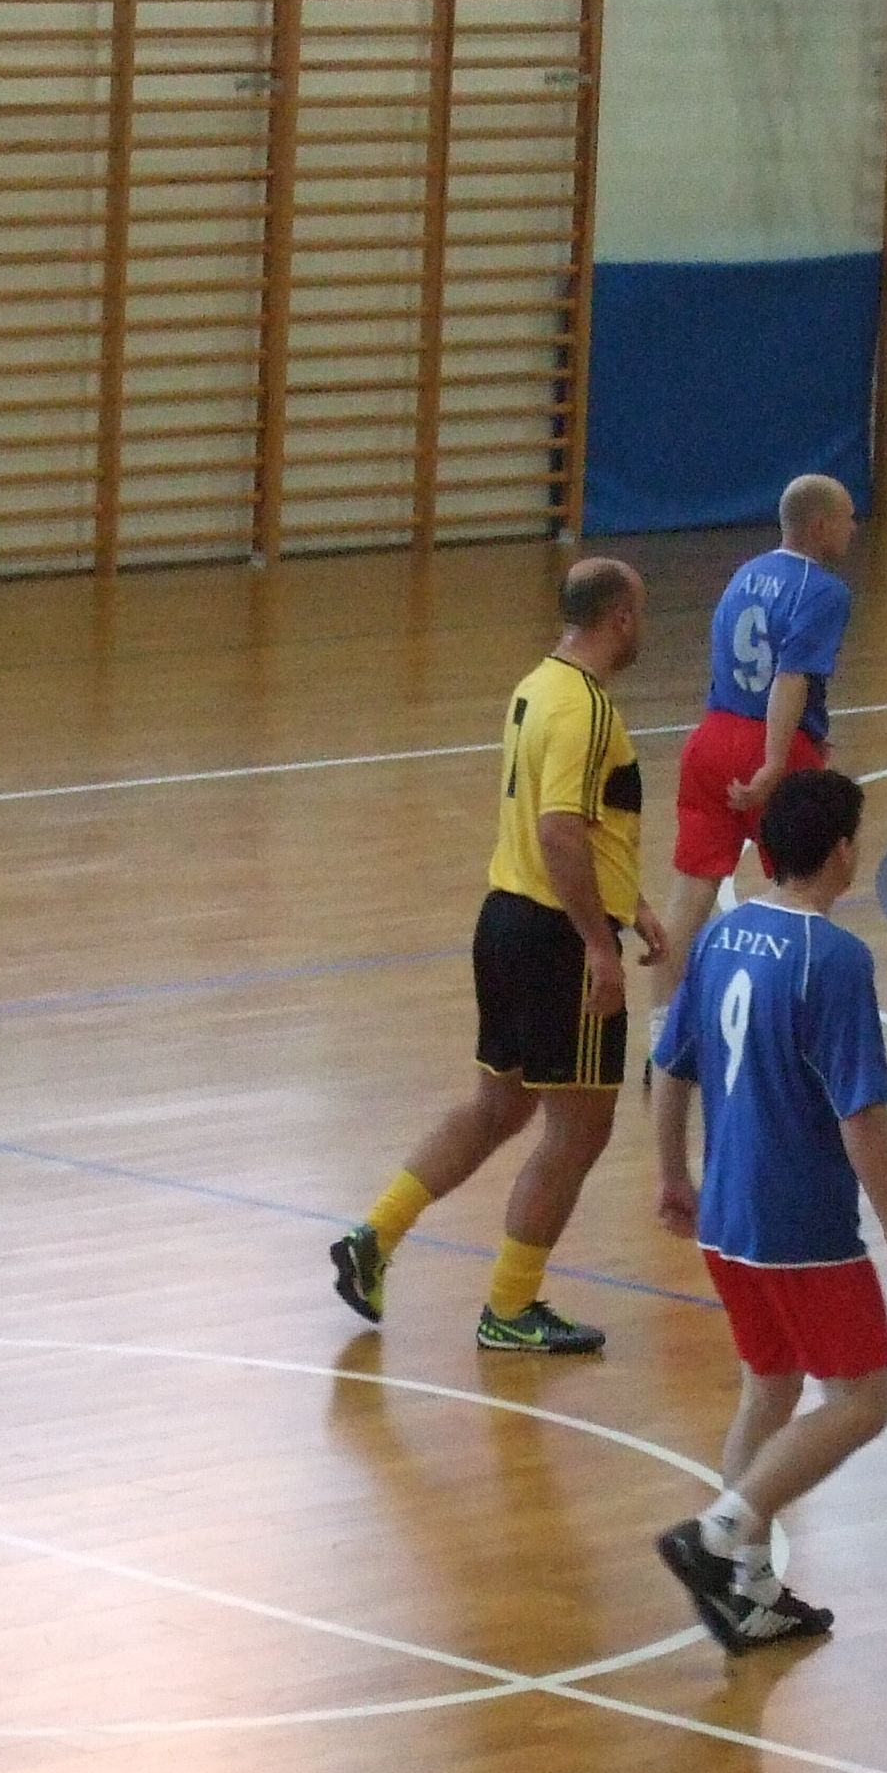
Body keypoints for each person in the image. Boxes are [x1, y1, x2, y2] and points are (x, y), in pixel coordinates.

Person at [328, 558, 667, 1355]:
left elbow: (583, 828)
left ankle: (375, 1236)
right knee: (579, 1131)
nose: (643, 628)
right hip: (558, 938)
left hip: (506, 920)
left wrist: (634, 905)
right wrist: (600, 943)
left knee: (500, 1108)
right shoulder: (587, 708)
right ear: (620, 617)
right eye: (641, 613)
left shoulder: (538, 686)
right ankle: (510, 1308)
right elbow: (560, 831)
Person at [650, 769, 887, 1651]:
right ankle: (717, 1535)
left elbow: (671, 1064)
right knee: (864, 1402)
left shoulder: (722, 936)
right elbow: (861, 1108)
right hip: (801, 1229)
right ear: (843, 850)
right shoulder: (835, 959)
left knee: (769, 1389)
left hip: (726, 1217)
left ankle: (752, 1591)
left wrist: (671, 1174)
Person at [651, 475, 860, 1041]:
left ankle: (662, 1041)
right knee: (806, 893)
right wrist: (775, 759)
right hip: (773, 748)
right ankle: (794, 1032)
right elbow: (791, 677)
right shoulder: (825, 591)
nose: (854, 527)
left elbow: (729, 661)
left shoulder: (744, 574)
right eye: (847, 518)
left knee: (689, 895)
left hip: (713, 736)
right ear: (820, 525)